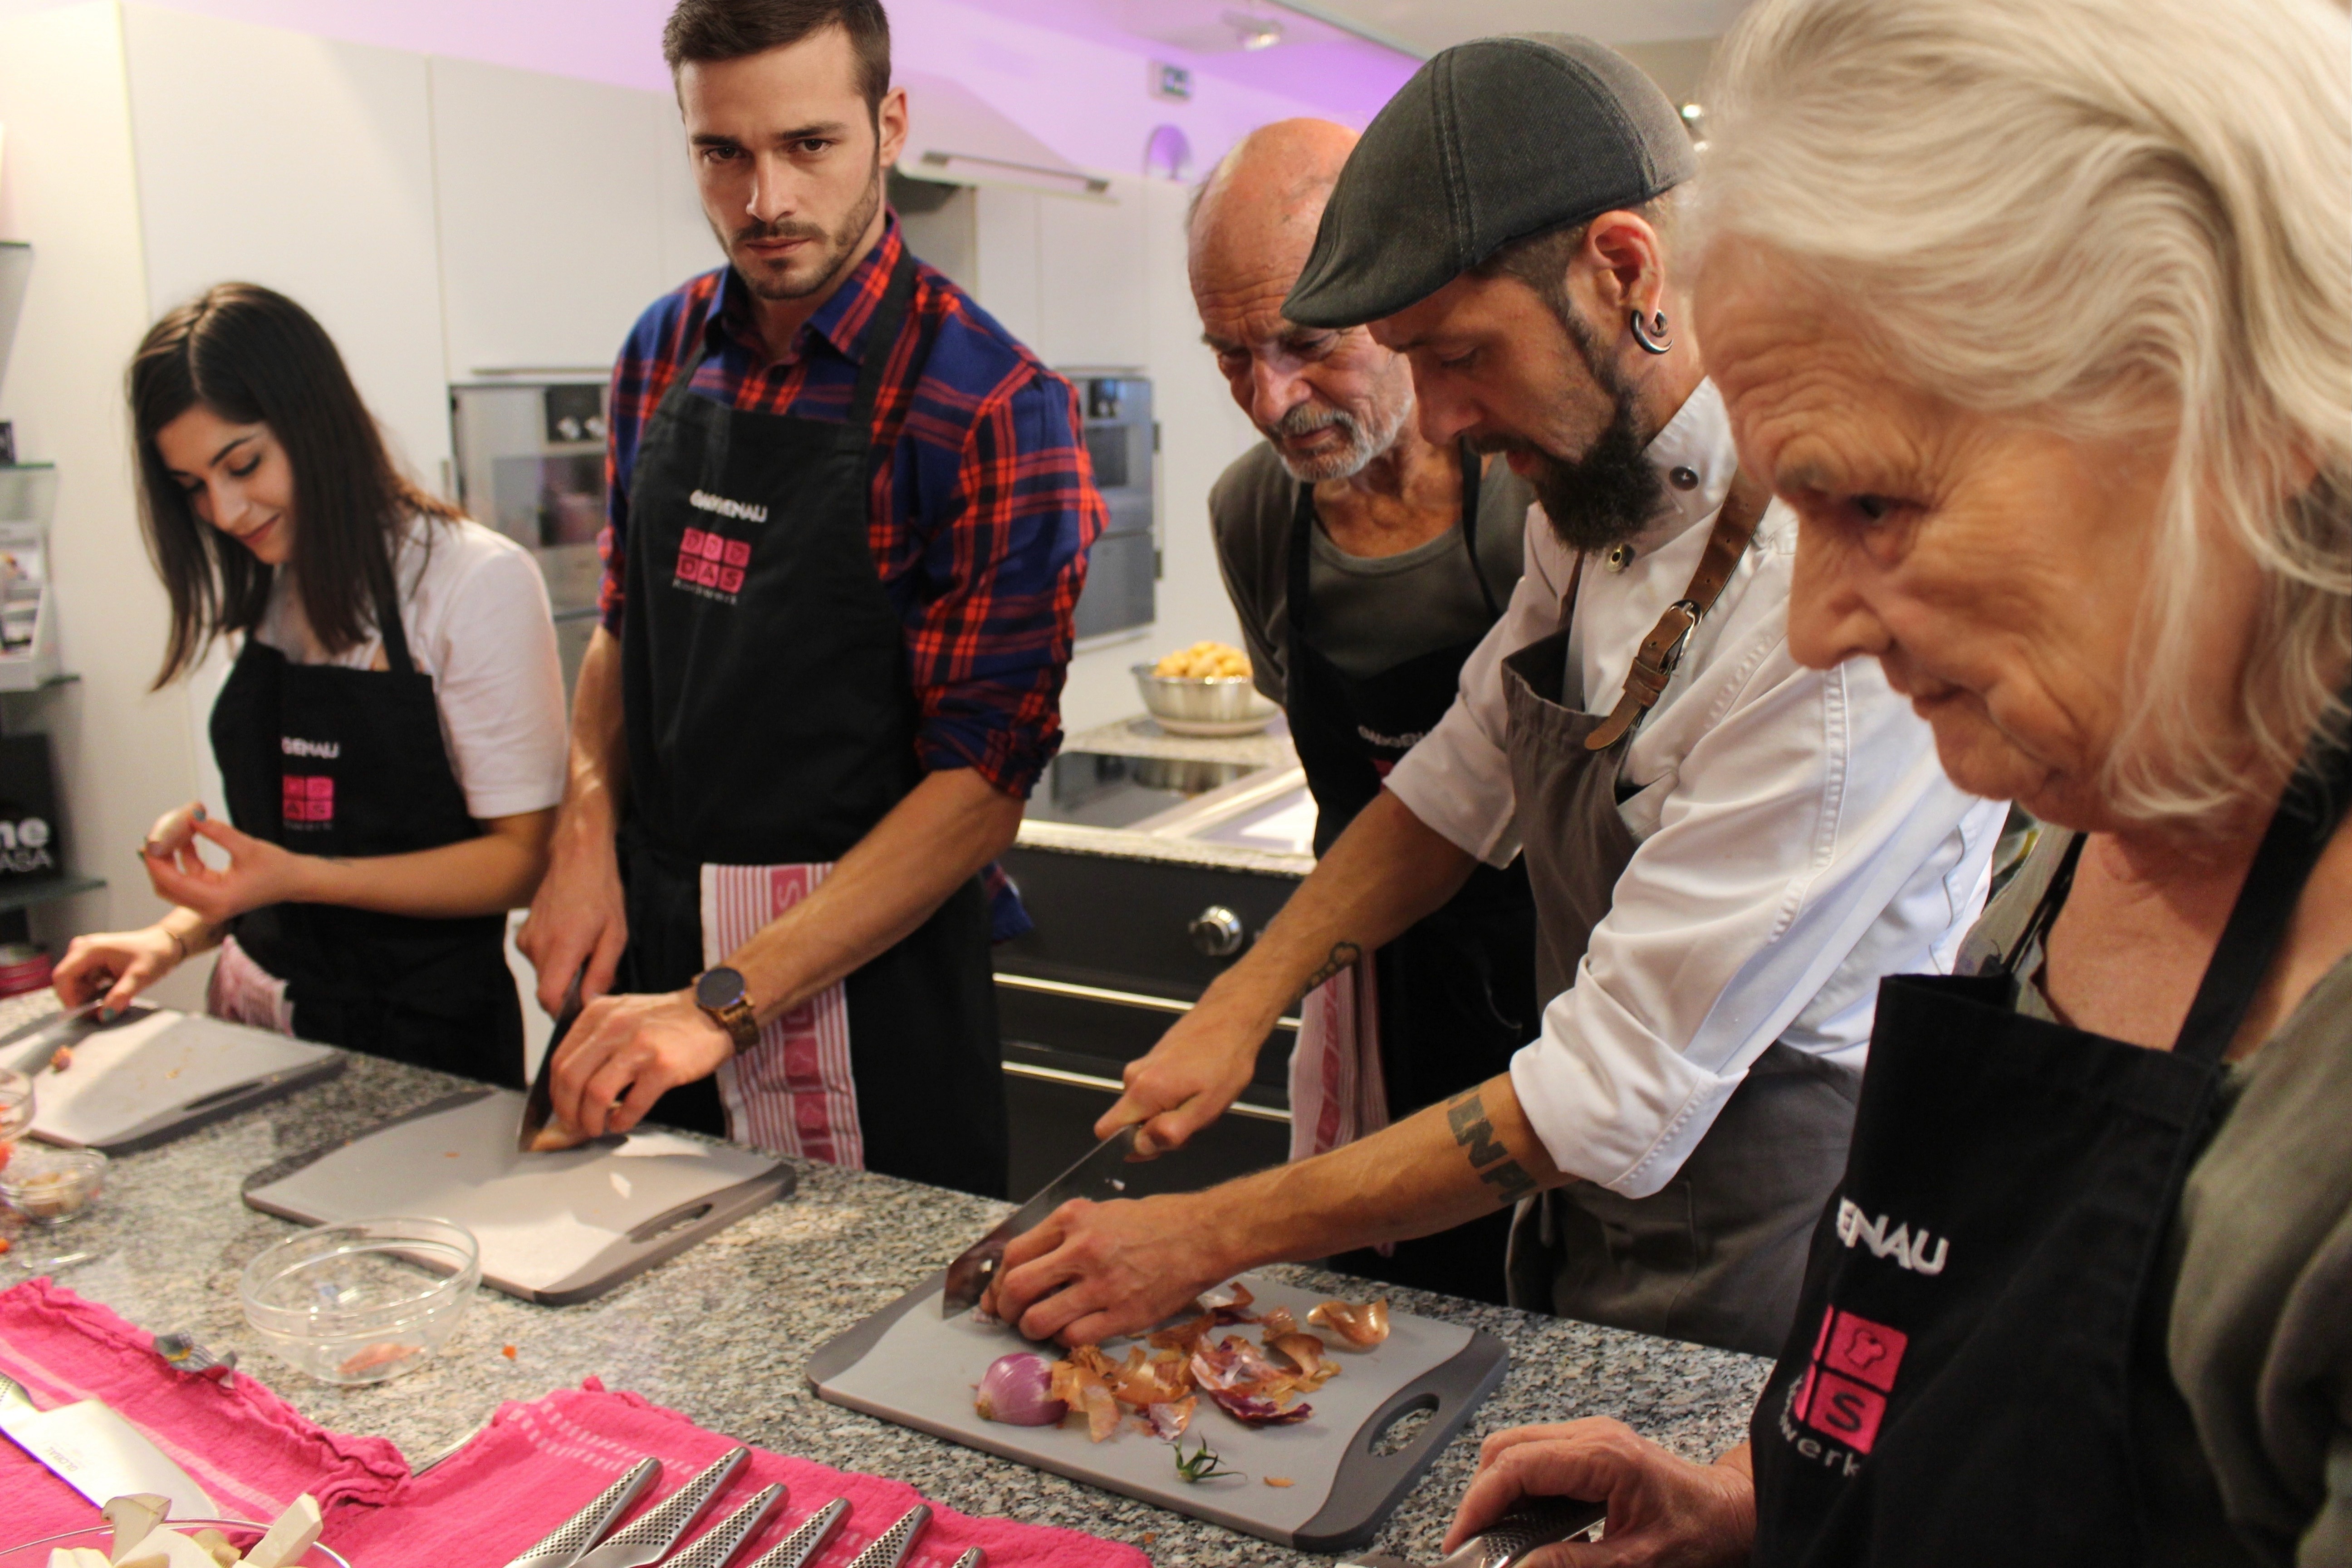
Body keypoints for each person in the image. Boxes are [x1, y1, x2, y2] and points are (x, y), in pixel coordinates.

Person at [1440, 0, 2352, 1563]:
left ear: (2234, 408)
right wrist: (1769, 1497)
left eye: (1873, 498)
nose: (1815, 626)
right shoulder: (2077, 837)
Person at [1000, 34, 2008, 1356]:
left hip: (1774, 1234)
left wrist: (1209, 1232)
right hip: (1588, 1206)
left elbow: (1613, 1091)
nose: (1444, 417)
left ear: (1626, 272)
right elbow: (1463, 773)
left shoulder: (1823, 626)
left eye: (1461, 353)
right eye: (1411, 358)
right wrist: (1246, 1001)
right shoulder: (1595, 493)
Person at [516, 0, 1103, 1195]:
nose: (765, 200)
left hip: (864, 980)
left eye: (809, 146)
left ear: (889, 124)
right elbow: (625, 630)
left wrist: (721, 1003)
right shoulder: (660, 349)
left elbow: (978, 795)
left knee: (843, 1355)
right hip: (652, 944)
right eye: (721, 154)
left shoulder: (990, 404)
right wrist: (583, 833)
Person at [1179, 118, 1541, 1306]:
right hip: (1373, 989)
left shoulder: (1528, 500)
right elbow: (1374, 795)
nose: (1270, 398)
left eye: (1304, 342)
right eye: (1232, 356)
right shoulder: (1256, 519)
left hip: (1557, 992)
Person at [53, 283, 566, 1080]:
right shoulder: (270, 581)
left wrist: (298, 877)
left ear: (314, 418)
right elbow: (286, 848)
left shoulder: (472, 581)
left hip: (420, 1045)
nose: (222, 511)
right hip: (258, 1016)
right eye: (191, 486)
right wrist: (175, 935)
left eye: (242, 463)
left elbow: (524, 860)